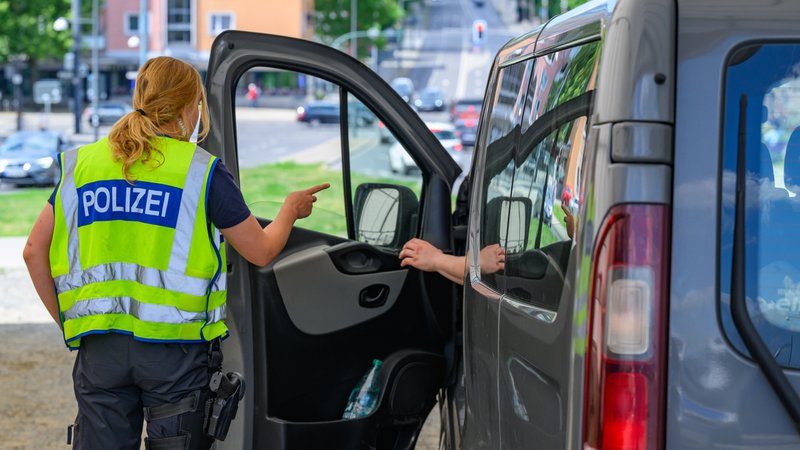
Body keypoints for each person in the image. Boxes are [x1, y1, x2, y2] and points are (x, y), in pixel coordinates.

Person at [22, 56, 329, 450]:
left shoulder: (82, 164)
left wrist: (70, 324)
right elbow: (261, 251)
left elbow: (33, 251)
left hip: (101, 349)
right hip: (174, 356)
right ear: (191, 107)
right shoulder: (201, 172)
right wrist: (290, 210)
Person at [399, 203, 575, 284]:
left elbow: (517, 271)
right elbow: (470, 279)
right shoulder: (576, 257)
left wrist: (437, 260)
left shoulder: (569, 258)